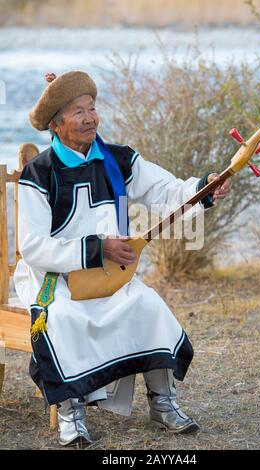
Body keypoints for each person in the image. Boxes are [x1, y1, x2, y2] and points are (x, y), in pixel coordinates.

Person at [14, 70, 231, 447]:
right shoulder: (39, 172)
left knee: (148, 304)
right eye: (78, 111)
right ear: (56, 123)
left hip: (111, 277)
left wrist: (202, 188)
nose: (89, 117)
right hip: (55, 278)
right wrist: (98, 248)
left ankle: (163, 403)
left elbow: (165, 189)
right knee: (60, 319)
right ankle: (71, 413)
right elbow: (32, 246)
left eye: (92, 108)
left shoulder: (119, 159)